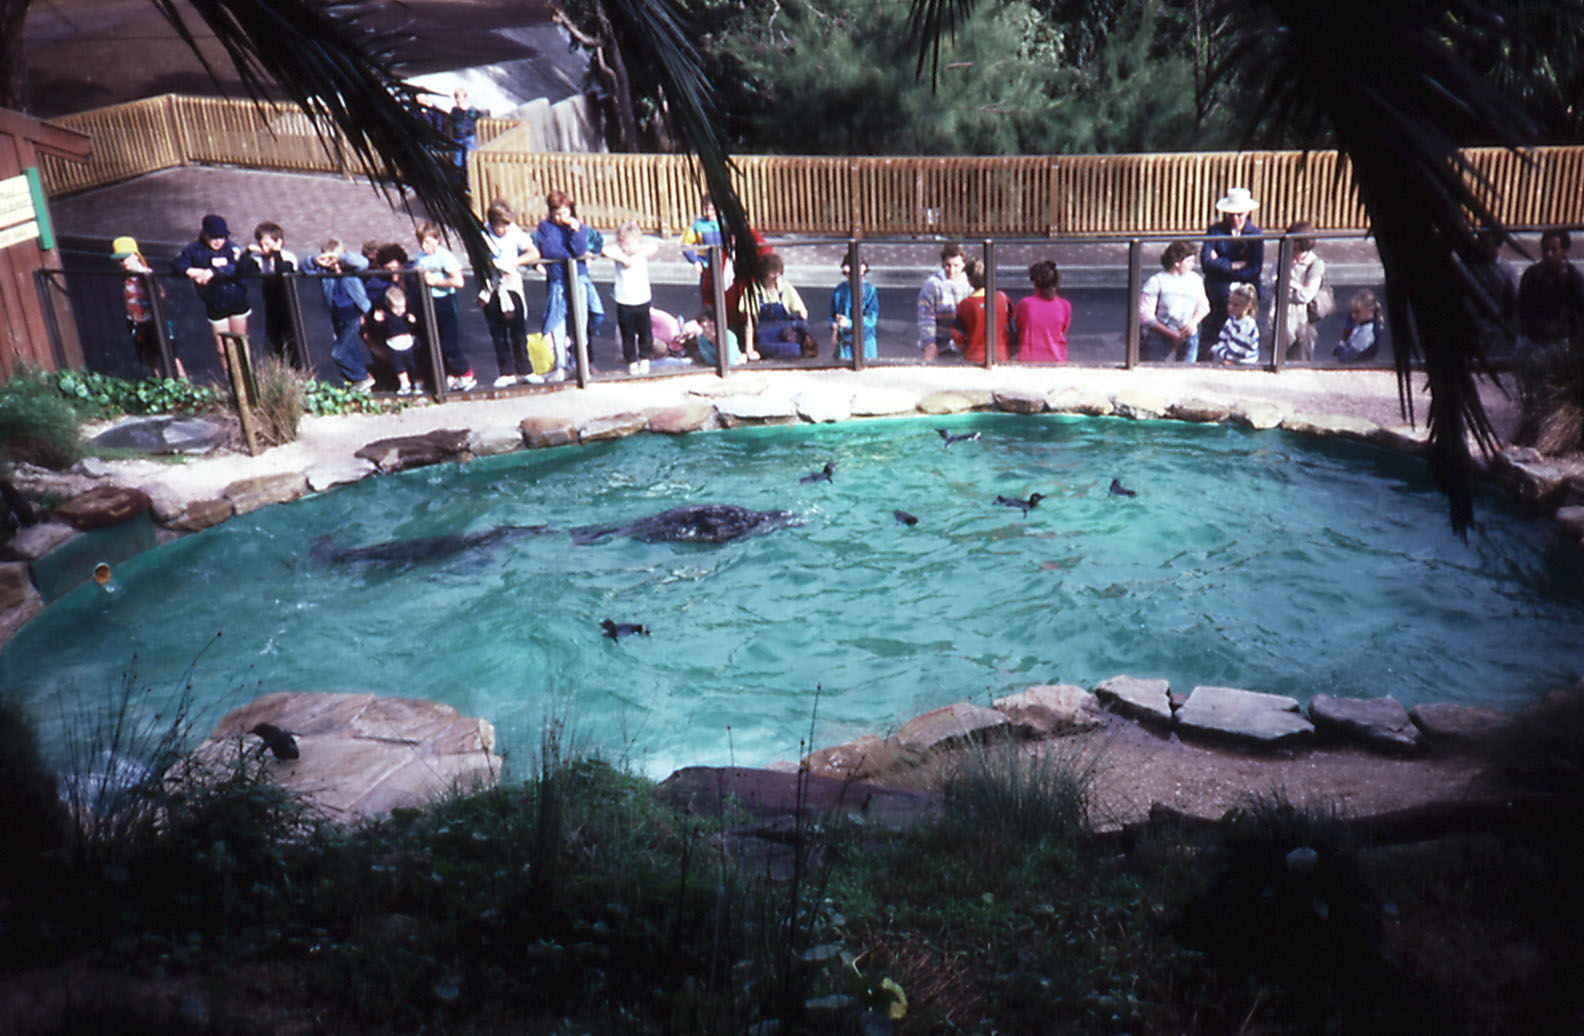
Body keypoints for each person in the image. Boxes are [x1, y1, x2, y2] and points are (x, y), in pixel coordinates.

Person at [171, 213, 249, 375]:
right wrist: (192, 271)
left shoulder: (231, 248)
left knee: (240, 342)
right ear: (204, 234)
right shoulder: (194, 250)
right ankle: (230, 377)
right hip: (215, 302)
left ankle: (246, 375)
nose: (218, 241)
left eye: (221, 237)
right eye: (213, 237)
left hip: (236, 299)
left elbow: (236, 267)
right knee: (222, 346)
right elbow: (177, 264)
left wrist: (213, 272)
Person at [532, 189, 594, 380]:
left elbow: (580, 249)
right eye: (556, 213)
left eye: (564, 213)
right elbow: (550, 250)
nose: (561, 218)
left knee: (580, 322)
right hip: (558, 280)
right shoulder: (544, 227)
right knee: (557, 322)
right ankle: (561, 364)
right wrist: (572, 256)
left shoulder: (577, 227)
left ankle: (581, 364)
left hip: (578, 279)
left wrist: (575, 232)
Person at [478, 199, 541, 387]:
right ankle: (506, 371)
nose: (503, 230)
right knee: (498, 331)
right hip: (492, 288)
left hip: (511, 285)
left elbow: (533, 252)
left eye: (506, 225)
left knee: (518, 329)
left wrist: (515, 263)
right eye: (499, 226)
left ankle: (525, 369)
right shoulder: (483, 233)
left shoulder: (513, 231)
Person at [1199, 187, 1264, 360]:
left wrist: (1220, 264)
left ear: (1247, 212)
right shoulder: (1215, 231)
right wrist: (1234, 266)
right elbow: (1206, 263)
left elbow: (1254, 269)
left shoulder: (1255, 234)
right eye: (1231, 215)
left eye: (1239, 214)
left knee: (1241, 336)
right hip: (1217, 294)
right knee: (1210, 336)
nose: (1235, 219)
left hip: (1243, 294)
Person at [1514, 230, 1584, 387]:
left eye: (1554, 250)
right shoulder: (1532, 276)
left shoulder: (1574, 279)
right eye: (1545, 250)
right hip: (1534, 339)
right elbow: (1522, 310)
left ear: (1564, 251)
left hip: (1562, 341)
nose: (1548, 255)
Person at [111, 235, 186, 379]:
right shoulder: (126, 276)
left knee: (171, 354)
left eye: (125, 258)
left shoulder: (145, 274)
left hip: (153, 321)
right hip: (138, 323)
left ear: (135, 256)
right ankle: (157, 384)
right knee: (149, 356)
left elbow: (159, 293)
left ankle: (184, 385)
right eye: (120, 260)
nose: (123, 263)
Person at [414, 221, 476, 391]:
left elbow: (458, 281)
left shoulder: (444, 256)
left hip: (445, 302)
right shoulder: (420, 256)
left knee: (450, 341)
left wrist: (436, 281)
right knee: (434, 341)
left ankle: (465, 373)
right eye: (421, 242)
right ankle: (450, 374)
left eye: (427, 242)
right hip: (428, 302)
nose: (424, 246)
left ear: (437, 240)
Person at [313, 238, 374, 391]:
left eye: (336, 260)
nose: (335, 264)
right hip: (338, 318)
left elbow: (363, 263)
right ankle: (361, 382)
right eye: (331, 260)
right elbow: (305, 267)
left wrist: (341, 257)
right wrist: (317, 260)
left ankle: (362, 377)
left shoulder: (351, 270)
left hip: (353, 316)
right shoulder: (326, 273)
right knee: (350, 351)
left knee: (338, 353)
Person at [1138, 240, 1209, 362]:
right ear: (1177, 262)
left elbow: (1203, 306)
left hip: (1188, 335)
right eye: (1189, 262)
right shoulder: (1156, 281)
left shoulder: (1195, 280)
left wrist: (1193, 322)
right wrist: (1170, 333)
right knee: (1154, 370)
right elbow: (1144, 315)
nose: (1193, 265)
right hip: (1160, 336)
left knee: (1186, 371)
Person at [604, 219, 660, 375]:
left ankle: (645, 357)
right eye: (623, 244)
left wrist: (636, 253)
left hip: (642, 298)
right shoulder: (619, 253)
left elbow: (654, 246)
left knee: (645, 331)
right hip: (624, 300)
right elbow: (605, 250)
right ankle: (632, 360)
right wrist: (623, 257)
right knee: (627, 333)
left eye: (629, 244)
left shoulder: (641, 252)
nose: (626, 247)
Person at [742, 252, 817, 359]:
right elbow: (749, 323)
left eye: (778, 272)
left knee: (795, 350)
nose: (776, 276)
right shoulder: (752, 291)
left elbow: (802, 311)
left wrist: (803, 335)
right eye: (772, 272)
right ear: (763, 272)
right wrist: (749, 349)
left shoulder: (785, 287)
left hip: (786, 337)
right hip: (765, 340)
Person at [245, 220, 300, 363]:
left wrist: (276, 253)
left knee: (292, 338)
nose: (264, 248)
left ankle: (297, 369)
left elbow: (282, 270)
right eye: (261, 244)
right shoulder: (259, 259)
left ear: (278, 242)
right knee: (273, 339)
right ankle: (277, 367)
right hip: (270, 301)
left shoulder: (288, 257)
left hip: (287, 302)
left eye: (268, 244)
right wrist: (248, 252)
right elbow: (242, 269)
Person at [1278, 220, 1327, 362]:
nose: (1292, 246)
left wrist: (1288, 285)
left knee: (1300, 359)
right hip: (1283, 317)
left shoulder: (1315, 264)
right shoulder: (1283, 258)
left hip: (1304, 320)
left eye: (1296, 242)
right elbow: (1272, 284)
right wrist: (1297, 287)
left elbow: (1306, 295)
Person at [952, 257, 1013, 364]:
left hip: (973, 357)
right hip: (1000, 356)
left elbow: (958, 337)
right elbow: (1010, 315)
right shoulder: (1003, 298)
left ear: (969, 280)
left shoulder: (965, 304)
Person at [917, 242, 972, 362]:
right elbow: (926, 318)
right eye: (948, 265)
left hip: (965, 344)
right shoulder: (932, 285)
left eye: (956, 265)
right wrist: (929, 343)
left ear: (963, 265)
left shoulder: (970, 285)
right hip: (940, 344)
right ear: (942, 264)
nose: (952, 270)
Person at [365, 286, 422, 395]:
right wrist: (378, 321)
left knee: (413, 365)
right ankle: (405, 384)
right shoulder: (386, 317)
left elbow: (414, 328)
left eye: (402, 307)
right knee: (399, 367)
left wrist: (413, 321)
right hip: (394, 346)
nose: (400, 311)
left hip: (408, 345)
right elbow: (380, 330)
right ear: (389, 305)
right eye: (396, 308)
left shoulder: (406, 316)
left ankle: (418, 383)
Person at [1012, 259, 1070, 363]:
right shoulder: (1064, 305)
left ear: (1035, 283)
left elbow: (1020, 328)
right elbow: (1062, 330)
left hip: (1028, 359)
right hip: (1056, 360)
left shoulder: (1025, 304)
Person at [829, 247, 879, 362]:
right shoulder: (839, 290)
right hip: (844, 342)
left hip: (864, 342)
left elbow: (871, 320)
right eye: (848, 274)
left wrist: (849, 323)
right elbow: (832, 314)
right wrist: (834, 327)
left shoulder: (869, 291)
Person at [680, 195, 723, 306]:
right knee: (708, 296)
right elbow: (685, 244)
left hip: (725, 267)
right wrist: (695, 261)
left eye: (712, 209)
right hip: (706, 267)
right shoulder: (697, 225)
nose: (709, 213)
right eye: (706, 209)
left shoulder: (726, 224)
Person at [1211, 283, 1261, 365]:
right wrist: (1219, 349)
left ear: (1247, 306)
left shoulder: (1248, 326)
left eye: (1235, 305)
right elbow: (1223, 337)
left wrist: (1219, 351)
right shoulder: (1231, 320)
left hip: (1244, 362)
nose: (1230, 307)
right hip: (1228, 355)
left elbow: (1239, 351)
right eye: (1229, 303)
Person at [1335, 289, 1384, 364]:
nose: (1353, 315)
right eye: (1351, 312)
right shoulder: (1361, 324)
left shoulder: (1367, 332)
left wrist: (1340, 348)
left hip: (1360, 362)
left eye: (1357, 312)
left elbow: (1349, 356)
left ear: (1370, 311)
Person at [447, 87, 482, 174]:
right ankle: (458, 183)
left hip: (469, 138)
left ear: (465, 98)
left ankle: (468, 183)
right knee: (457, 162)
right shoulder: (454, 110)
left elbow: (480, 118)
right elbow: (450, 122)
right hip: (457, 138)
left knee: (469, 162)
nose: (458, 100)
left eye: (460, 97)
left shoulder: (472, 110)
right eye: (457, 97)